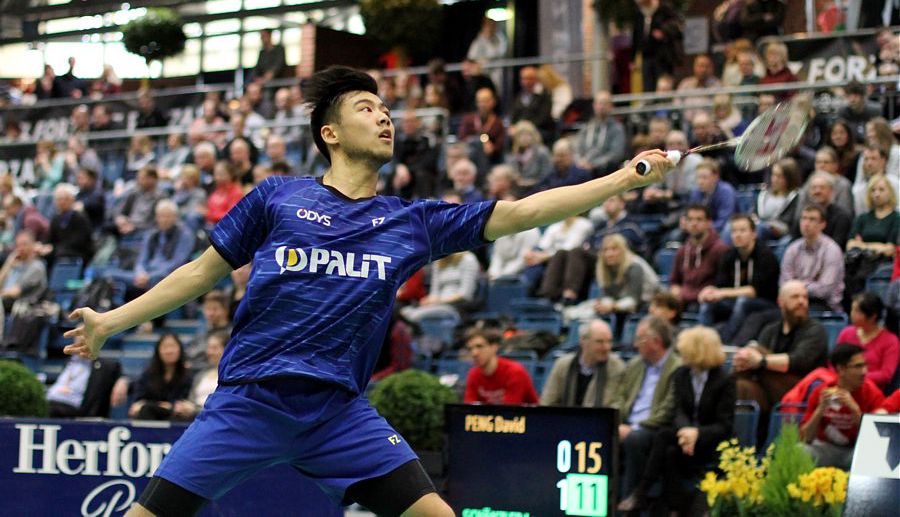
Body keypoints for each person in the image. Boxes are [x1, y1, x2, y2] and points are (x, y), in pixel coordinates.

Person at [63, 65, 675, 517]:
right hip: (250, 402)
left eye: (385, 109)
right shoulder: (277, 198)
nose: (384, 116)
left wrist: (623, 176)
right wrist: (112, 323)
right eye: (365, 107)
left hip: (338, 413)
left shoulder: (411, 222)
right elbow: (199, 274)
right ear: (329, 132)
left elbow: (520, 214)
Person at [618, 327, 735, 516]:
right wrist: (686, 431)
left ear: (698, 350)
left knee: (667, 444)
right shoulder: (681, 374)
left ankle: (644, 494)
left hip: (712, 440)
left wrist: (697, 433)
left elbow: (724, 424)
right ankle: (673, 507)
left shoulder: (724, 379)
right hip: (685, 438)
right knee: (669, 447)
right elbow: (679, 411)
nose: (681, 353)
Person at [614, 315, 682, 502]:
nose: (636, 345)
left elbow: (669, 409)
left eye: (640, 339)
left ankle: (632, 502)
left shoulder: (678, 368)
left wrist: (635, 428)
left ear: (656, 342)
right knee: (599, 434)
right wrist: (615, 421)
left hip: (656, 429)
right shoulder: (635, 365)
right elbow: (620, 397)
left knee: (635, 440)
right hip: (628, 426)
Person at [733, 281, 828, 413]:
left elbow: (799, 361)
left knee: (755, 351)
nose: (801, 301)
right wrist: (749, 358)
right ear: (780, 302)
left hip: (802, 389)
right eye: (795, 297)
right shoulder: (770, 330)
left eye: (805, 297)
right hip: (769, 389)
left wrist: (761, 361)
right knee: (741, 386)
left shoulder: (815, 330)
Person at [799, 343, 884, 470]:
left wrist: (855, 410)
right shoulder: (821, 391)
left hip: (855, 451)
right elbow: (805, 438)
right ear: (840, 369)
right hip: (826, 449)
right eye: (858, 366)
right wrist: (820, 410)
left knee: (873, 457)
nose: (864, 372)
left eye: (865, 365)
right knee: (799, 451)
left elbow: (877, 440)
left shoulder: (872, 393)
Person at [698, 215, 780, 345]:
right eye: (734, 231)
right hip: (734, 302)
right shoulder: (729, 255)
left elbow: (753, 291)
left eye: (742, 231)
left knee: (743, 301)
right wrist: (709, 291)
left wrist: (722, 293)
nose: (737, 235)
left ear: (753, 233)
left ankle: (724, 344)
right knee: (708, 302)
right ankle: (701, 342)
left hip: (765, 304)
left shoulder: (766, 256)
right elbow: (720, 286)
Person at [561, 233, 657, 321]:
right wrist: (603, 305)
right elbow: (607, 296)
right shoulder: (606, 269)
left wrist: (612, 306)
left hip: (646, 305)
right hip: (619, 304)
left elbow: (633, 302)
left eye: (614, 249)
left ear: (623, 250)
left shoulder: (634, 266)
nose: (609, 254)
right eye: (605, 250)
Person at [540, 318, 625, 408]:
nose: (606, 347)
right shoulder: (563, 365)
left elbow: (611, 406)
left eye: (609, 341)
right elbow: (547, 402)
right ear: (583, 341)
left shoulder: (616, 367)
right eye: (600, 342)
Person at [780, 205, 845, 313]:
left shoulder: (831, 250)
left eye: (812, 219)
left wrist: (796, 285)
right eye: (804, 218)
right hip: (795, 302)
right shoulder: (792, 249)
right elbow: (784, 284)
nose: (806, 223)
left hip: (824, 306)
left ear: (823, 224)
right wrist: (808, 285)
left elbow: (824, 290)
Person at [669, 205, 729, 310]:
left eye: (699, 219)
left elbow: (722, 285)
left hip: (706, 301)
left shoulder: (720, 250)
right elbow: (675, 281)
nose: (694, 223)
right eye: (690, 219)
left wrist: (686, 294)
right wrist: (675, 290)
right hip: (684, 299)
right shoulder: (682, 250)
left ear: (709, 222)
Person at [836, 293, 899, 390]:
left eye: (857, 311)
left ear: (872, 317)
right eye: (852, 309)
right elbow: (833, 362)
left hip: (872, 390)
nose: (852, 314)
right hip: (843, 387)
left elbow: (886, 375)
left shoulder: (890, 341)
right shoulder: (846, 333)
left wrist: (853, 377)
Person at [400, 250, 482, 324]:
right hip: (438, 304)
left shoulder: (468, 259)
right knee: (405, 311)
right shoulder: (438, 262)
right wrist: (429, 300)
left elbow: (465, 294)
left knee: (415, 315)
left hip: (458, 305)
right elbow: (434, 292)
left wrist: (439, 301)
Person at [463, 327, 539, 405]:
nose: (474, 353)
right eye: (470, 349)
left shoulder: (515, 372)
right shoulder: (473, 374)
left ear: (494, 347)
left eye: (479, 346)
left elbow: (509, 412)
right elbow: (469, 409)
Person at [631, 0, 684, 94]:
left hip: (663, 56)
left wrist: (664, 31)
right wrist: (632, 59)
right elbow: (636, 36)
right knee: (648, 86)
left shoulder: (664, 8)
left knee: (663, 84)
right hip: (647, 55)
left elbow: (677, 24)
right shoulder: (640, 14)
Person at [128, 333, 194, 420]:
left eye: (173, 346)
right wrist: (165, 405)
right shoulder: (148, 374)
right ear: (158, 351)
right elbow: (139, 400)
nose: (169, 351)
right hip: (150, 414)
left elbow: (185, 400)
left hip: (176, 416)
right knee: (145, 410)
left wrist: (172, 406)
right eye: (165, 347)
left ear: (180, 349)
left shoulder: (188, 374)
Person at [172, 330, 230, 422]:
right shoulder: (201, 375)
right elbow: (191, 400)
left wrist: (195, 410)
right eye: (209, 348)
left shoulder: (231, 377)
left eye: (214, 348)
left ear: (227, 350)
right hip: (195, 420)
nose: (210, 352)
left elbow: (224, 407)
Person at [46, 355, 123, 419]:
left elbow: (118, 372)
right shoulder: (70, 361)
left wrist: (123, 380)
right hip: (51, 401)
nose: (80, 340)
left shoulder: (103, 365)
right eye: (78, 337)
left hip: (73, 408)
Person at [573, 90, 627, 177]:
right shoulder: (587, 127)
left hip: (605, 172)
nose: (601, 107)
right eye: (598, 103)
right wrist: (580, 162)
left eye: (604, 104)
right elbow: (577, 149)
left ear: (611, 106)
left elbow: (616, 155)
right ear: (594, 106)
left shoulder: (617, 129)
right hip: (583, 168)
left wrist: (594, 165)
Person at [0, 231, 48, 313]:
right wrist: (8, 263)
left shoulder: (36, 267)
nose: (20, 248)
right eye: (18, 245)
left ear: (33, 246)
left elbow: (15, 292)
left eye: (24, 244)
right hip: (6, 303)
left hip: (24, 307)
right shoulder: (16, 265)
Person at [754, 158, 801, 241]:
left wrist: (768, 225)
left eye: (780, 176)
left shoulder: (795, 196)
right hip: (760, 226)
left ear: (790, 178)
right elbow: (754, 213)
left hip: (780, 233)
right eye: (774, 175)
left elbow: (789, 222)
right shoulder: (764, 195)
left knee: (759, 229)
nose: (775, 179)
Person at [185, 290, 233, 369]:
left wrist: (193, 366)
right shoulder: (202, 331)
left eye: (215, 309)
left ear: (226, 310)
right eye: (208, 309)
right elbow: (190, 351)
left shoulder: (232, 334)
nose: (210, 313)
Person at [688, 160, 737, 235]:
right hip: (703, 228)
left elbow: (724, 220)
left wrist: (703, 227)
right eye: (698, 177)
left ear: (716, 177)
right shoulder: (696, 192)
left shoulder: (726, 191)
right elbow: (691, 213)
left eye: (704, 178)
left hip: (725, 228)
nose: (700, 182)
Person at [509, 65, 554, 142]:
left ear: (536, 79)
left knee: (527, 137)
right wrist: (513, 126)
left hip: (539, 129)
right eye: (523, 79)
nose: (526, 81)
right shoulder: (518, 96)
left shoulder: (544, 95)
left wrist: (526, 127)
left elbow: (543, 118)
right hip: (520, 129)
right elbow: (513, 116)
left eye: (529, 78)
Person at [506, 120, 553, 192]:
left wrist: (533, 182)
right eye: (521, 135)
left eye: (527, 135)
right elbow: (512, 174)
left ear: (534, 136)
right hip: (520, 190)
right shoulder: (514, 155)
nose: (524, 138)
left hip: (540, 190)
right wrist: (518, 180)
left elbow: (548, 174)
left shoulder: (542, 152)